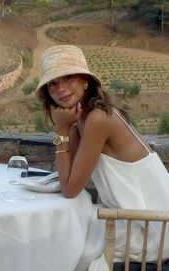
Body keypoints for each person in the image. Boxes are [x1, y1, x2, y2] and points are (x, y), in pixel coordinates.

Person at [35, 45, 169, 270]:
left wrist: (60, 131)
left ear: (85, 80)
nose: (61, 89)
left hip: (150, 228)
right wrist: (69, 128)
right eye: (52, 84)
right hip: (134, 217)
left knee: (61, 245)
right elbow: (70, 175)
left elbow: (70, 189)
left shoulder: (99, 119)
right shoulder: (85, 119)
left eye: (67, 78)